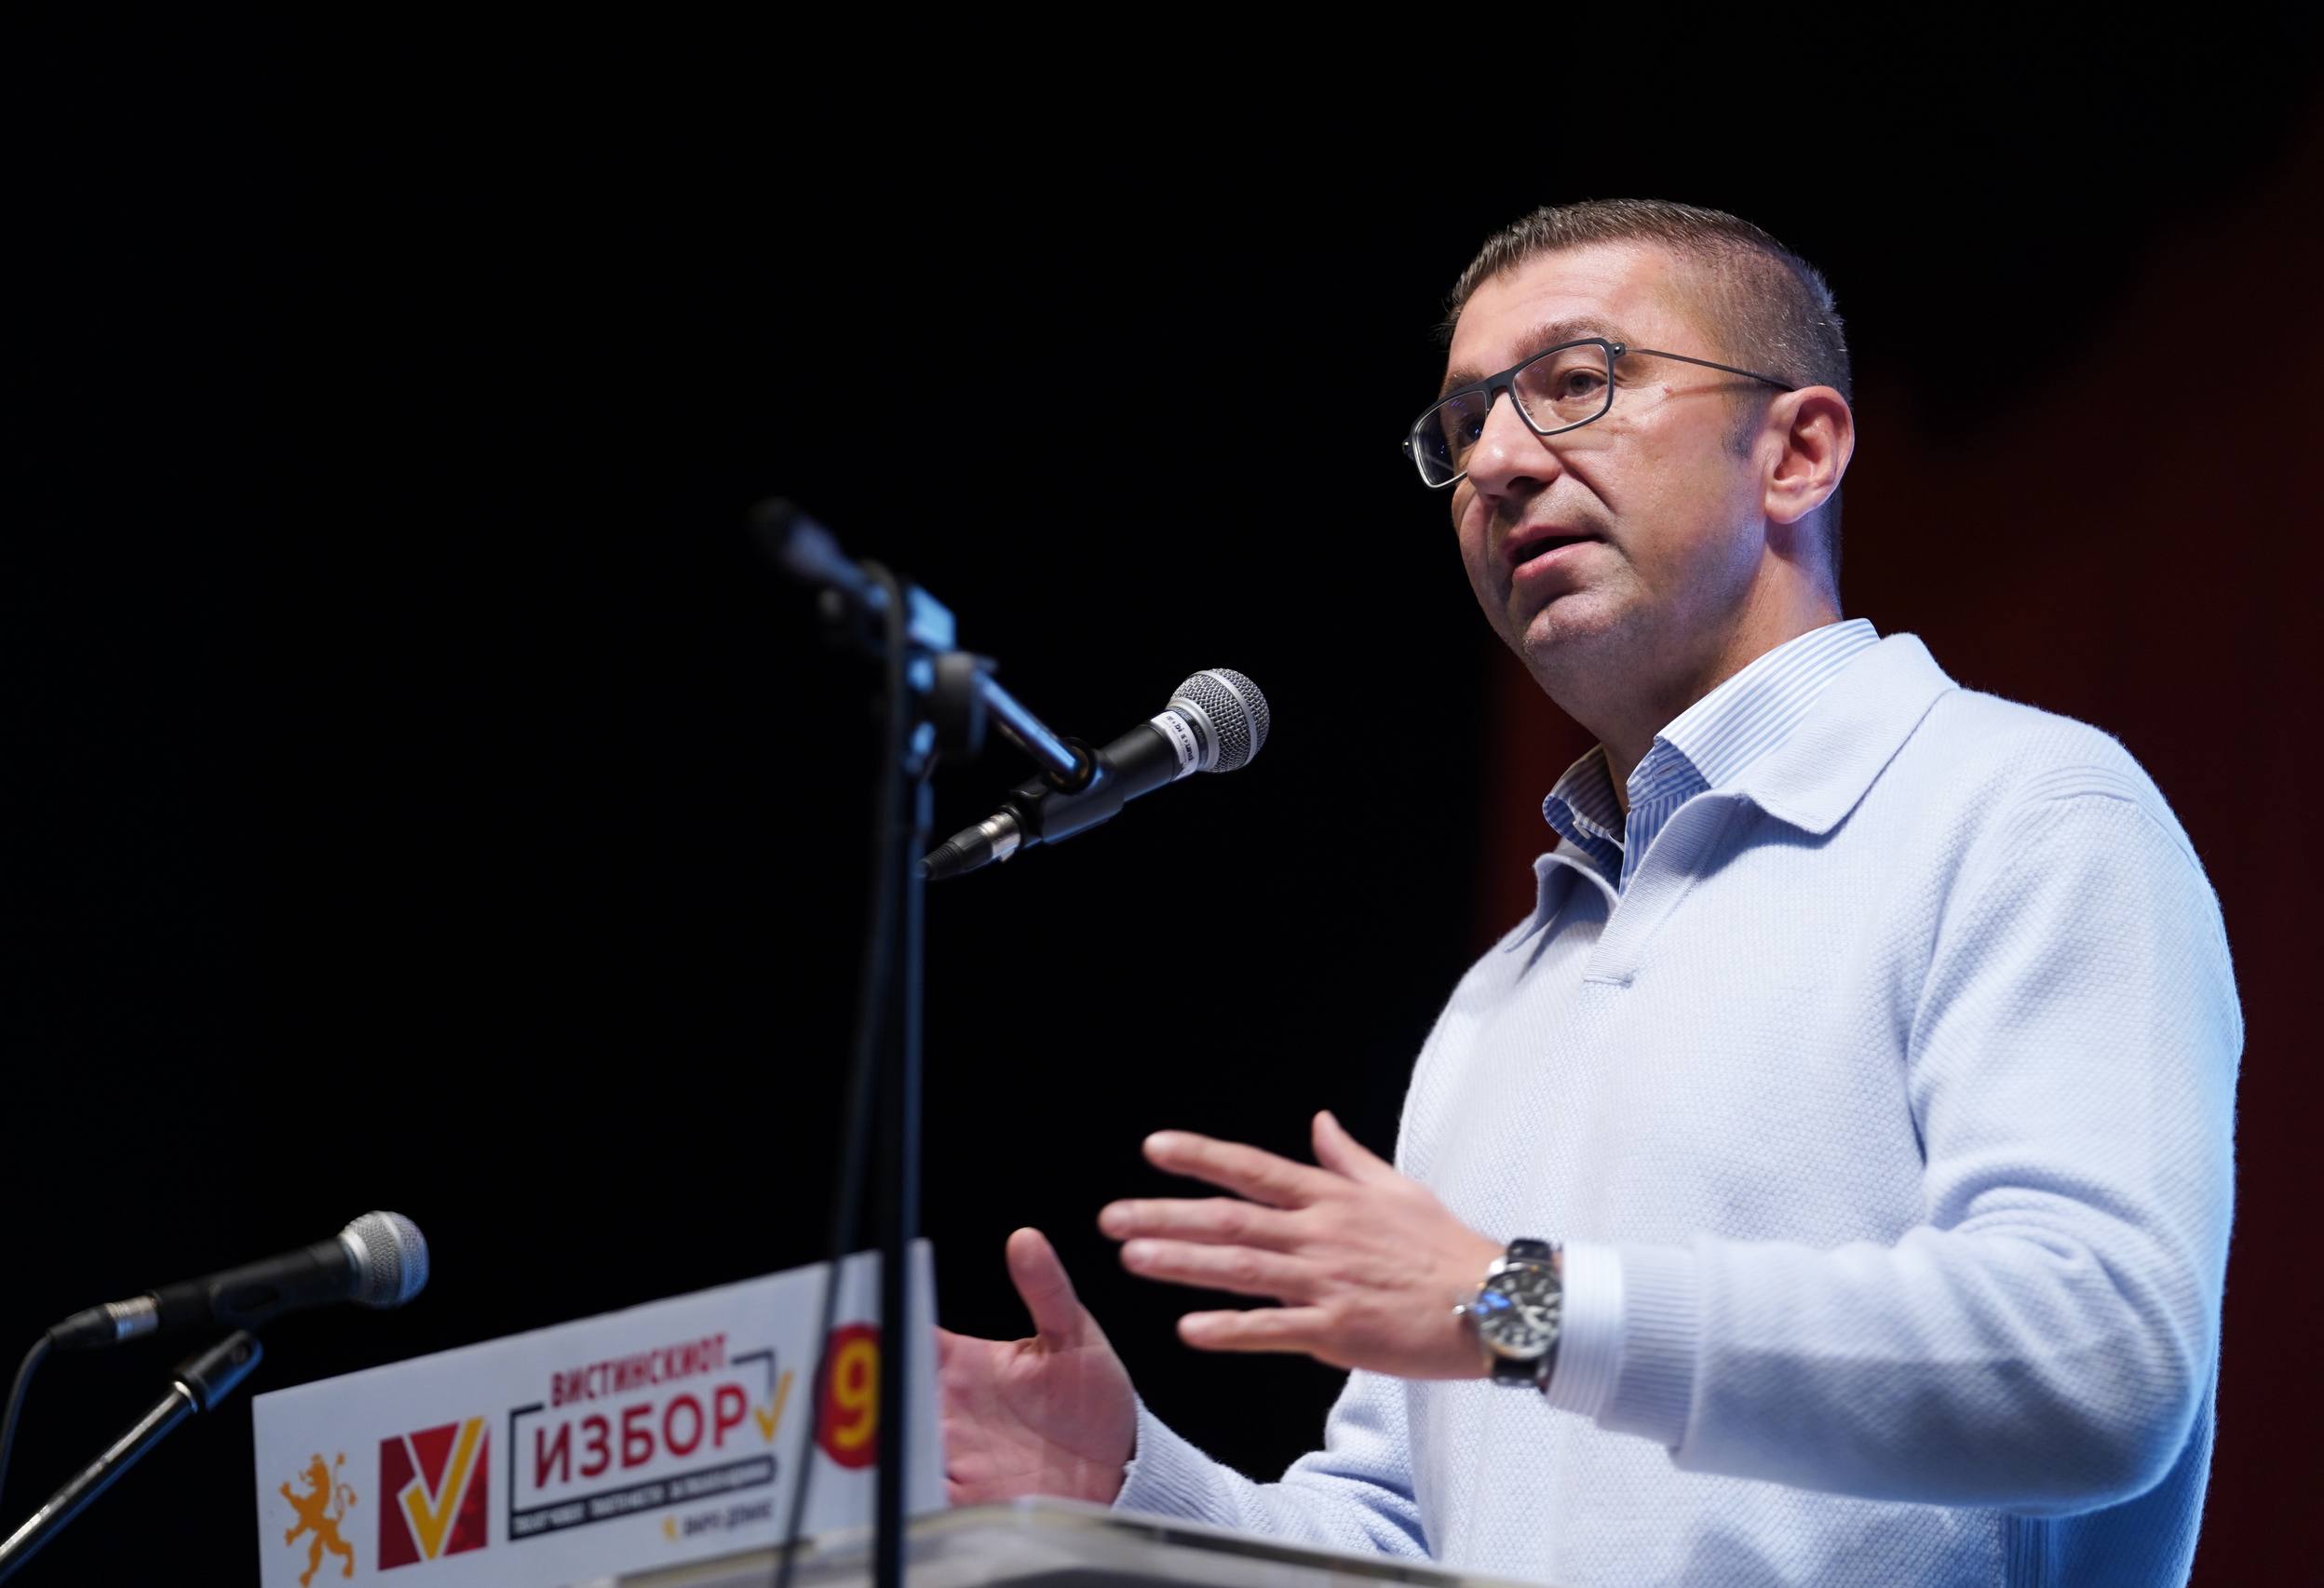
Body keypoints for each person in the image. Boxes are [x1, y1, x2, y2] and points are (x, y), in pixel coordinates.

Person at [935, 200, 2240, 1587]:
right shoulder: (1501, 997)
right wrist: (1125, 1493)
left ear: (1795, 452)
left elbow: (2097, 1357)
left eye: (1576, 381)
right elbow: (1404, 1543)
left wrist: (1519, 1305)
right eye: (1462, 425)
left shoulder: (2023, 811)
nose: (1497, 461)